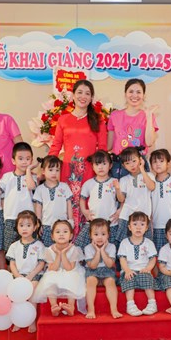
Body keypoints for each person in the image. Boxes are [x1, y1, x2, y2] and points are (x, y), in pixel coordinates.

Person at [48, 80, 107, 234]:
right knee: (68, 204)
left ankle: (85, 242)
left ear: (91, 97)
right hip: (68, 171)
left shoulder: (98, 120)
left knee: (88, 204)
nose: (83, 96)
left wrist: (102, 172)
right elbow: (56, 146)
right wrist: (47, 168)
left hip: (89, 171)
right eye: (79, 92)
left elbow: (102, 148)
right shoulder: (63, 119)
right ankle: (67, 241)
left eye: (87, 93)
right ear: (73, 95)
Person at [32, 220, 86, 317]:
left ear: (71, 236)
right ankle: (54, 306)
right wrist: (58, 254)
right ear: (52, 236)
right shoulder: (49, 250)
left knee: (72, 278)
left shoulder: (74, 249)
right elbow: (53, 269)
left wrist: (63, 253)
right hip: (55, 271)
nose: (61, 234)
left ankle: (71, 307)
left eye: (65, 231)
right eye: (58, 232)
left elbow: (69, 268)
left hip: (71, 271)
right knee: (49, 279)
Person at [107, 78, 159, 178]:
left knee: (140, 188)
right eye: (131, 91)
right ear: (125, 94)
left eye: (138, 92)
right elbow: (109, 146)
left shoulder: (148, 116)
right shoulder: (115, 115)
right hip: (119, 164)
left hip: (139, 164)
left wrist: (148, 116)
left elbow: (149, 142)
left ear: (144, 95)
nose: (134, 95)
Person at [6, 210, 45, 333]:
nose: (24, 228)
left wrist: (30, 276)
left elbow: (41, 263)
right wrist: (18, 276)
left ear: (35, 227)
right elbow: (12, 263)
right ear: (17, 227)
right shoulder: (14, 246)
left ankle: (31, 320)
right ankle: (17, 320)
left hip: (34, 275)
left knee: (32, 290)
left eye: (28, 225)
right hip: (18, 275)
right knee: (15, 292)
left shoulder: (39, 245)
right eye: (21, 225)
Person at [76, 150, 121, 249]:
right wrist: (84, 211)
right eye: (97, 164)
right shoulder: (88, 183)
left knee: (111, 250)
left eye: (104, 164)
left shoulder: (115, 182)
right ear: (93, 166)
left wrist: (119, 211)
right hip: (93, 222)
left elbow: (122, 199)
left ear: (110, 165)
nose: (100, 167)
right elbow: (82, 199)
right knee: (80, 248)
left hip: (111, 223)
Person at [117, 212, 158, 317]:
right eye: (135, 224)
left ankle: (152, 303)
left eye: (142, 224)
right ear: (129, 227)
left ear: (147, 228)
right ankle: (130, 305)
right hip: (129, 270)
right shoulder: (124, 243)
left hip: (143, 269)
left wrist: (148, 268)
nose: (138, 227)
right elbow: (122, 259)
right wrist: (127, 270)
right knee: (129, 279)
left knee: (147, 278)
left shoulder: (149, 243)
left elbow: (152, 259)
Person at [114, 147, 156, 245]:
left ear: (140, 160)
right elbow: (121, 199)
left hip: (144, 216)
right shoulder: (124, 179)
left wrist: (142, 169)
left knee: (145, 244)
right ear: (124, 166)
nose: (132, 165)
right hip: (126, 216)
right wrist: (118, 189)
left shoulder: (149, 175)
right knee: (124, 244)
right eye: (127, 163)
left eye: (134, 161)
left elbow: (152, 187)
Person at [0, 142, 37, 251]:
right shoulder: (7, 177)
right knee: (10, 250)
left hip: (29, 219)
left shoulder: (32, 177)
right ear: (13, 160)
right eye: (20, 158)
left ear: (31, 160)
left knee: (29, 248)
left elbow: (31, 186)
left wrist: (28, 170)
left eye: (28, 159)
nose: (24, 162)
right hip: (11, 218)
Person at [83, 218, 121, 319]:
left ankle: (114, 309)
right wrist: (97, 251)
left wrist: (103, 250)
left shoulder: (112, 247)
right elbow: (93, 266)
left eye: (103, 234)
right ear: (90, 235)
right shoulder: (88, 248)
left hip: (107, 271)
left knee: (110, 282)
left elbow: (109, 264)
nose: (99, 237)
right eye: (96, 234)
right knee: (90, 281)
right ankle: (91, 309)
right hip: (92, 271)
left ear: (108, 235)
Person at [32, 156, 74, 247]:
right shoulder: (40, 189)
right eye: (51, 170)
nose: (54, 173)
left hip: (62, 225)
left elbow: (69, 205)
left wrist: (70, 221)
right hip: (46, 225)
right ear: (43, 171)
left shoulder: (64, 186)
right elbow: (38, 208)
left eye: (57, 170)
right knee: (47, 251)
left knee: (62, 249)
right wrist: (39, 223)